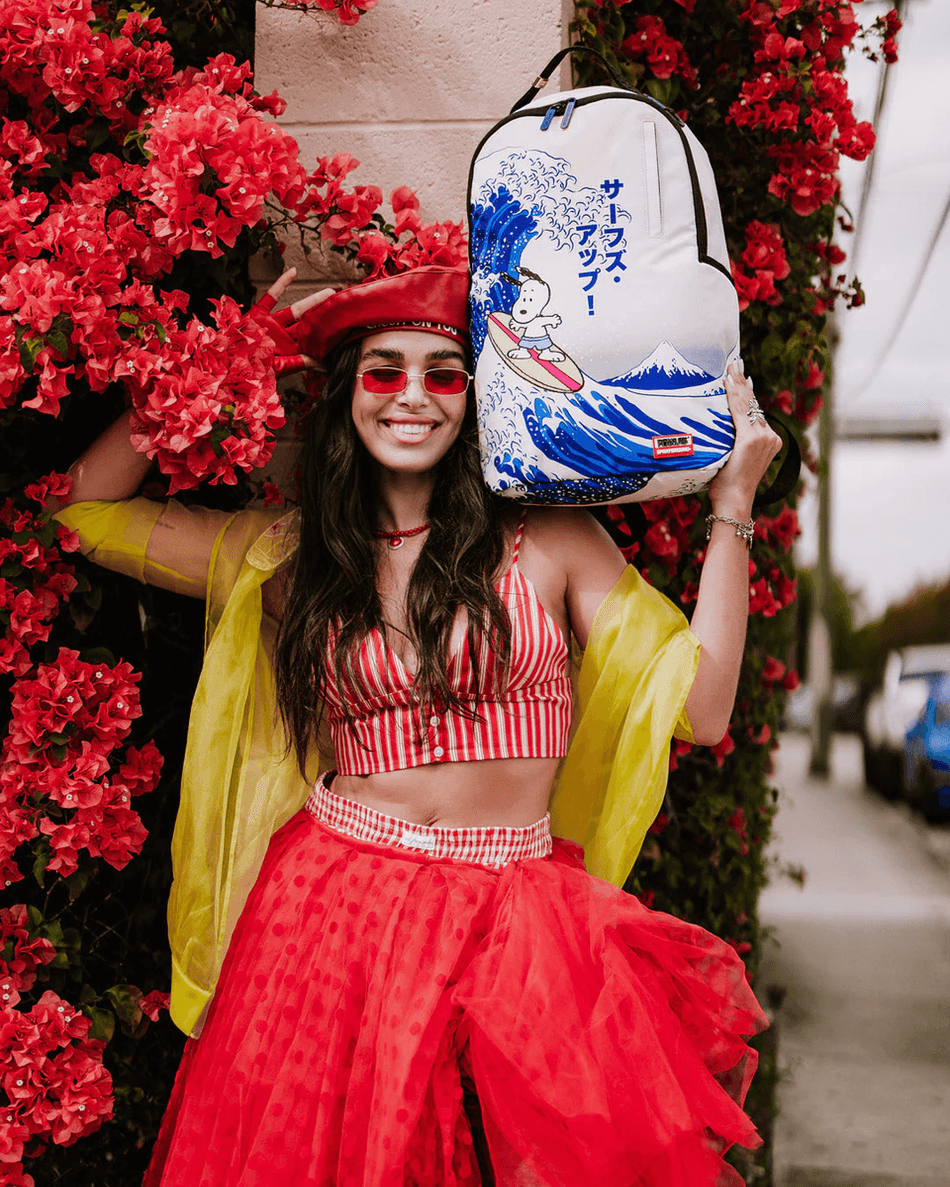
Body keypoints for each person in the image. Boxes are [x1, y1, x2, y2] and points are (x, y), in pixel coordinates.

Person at [55, 263, 781, 1187]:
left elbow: (703, 709)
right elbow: (85, 510)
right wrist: (228, 360)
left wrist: (732, 508)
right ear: (348, 395)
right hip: (333, 916)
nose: (412, 396)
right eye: (384, 370)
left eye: (443, 375)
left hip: (514, 923)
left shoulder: (550, 542)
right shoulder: (296, 557)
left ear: (475, 399)